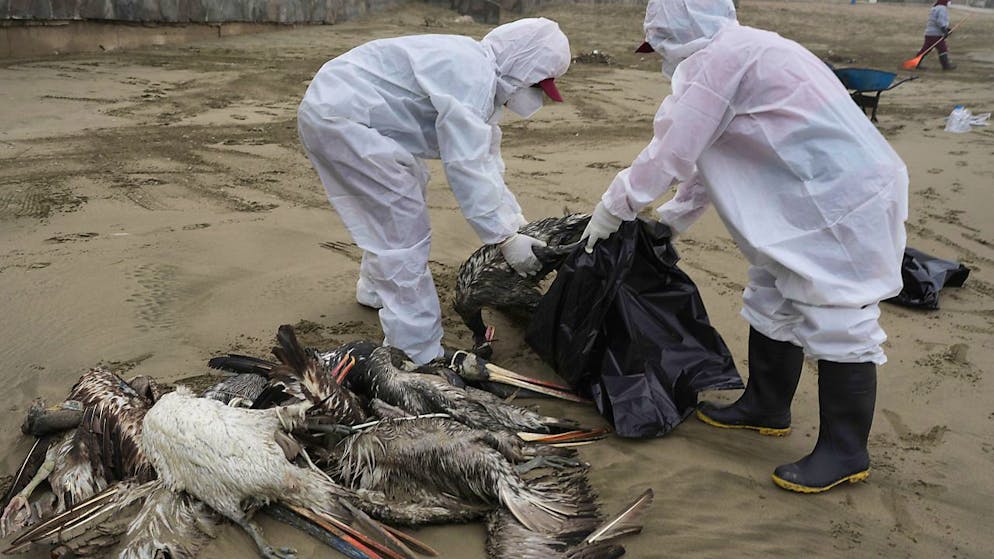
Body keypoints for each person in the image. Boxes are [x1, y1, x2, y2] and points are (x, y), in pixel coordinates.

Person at [581, 0, 908, 494]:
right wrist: (672, 221)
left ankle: (846, 451)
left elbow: (671, 151)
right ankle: (766, 405)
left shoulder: (720, 63)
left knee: (838, 313)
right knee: (772, 293)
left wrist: (614, 207)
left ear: (677, 30)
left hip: (840, 198)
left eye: (661, 43)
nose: (661, 55)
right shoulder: (741, 50)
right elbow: (713, 154)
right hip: (805, 192)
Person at [298, 19, 571, 365]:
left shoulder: (478, 74)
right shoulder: (473, 76)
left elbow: (487, 159)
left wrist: (517, 226)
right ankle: (415, 349)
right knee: (401, 227)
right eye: (537, 85)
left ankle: (374, 289)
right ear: (522, 65)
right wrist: (504, 237)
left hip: (343, 109)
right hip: (343, 118)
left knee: (403, 189)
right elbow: (467, 167)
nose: (535, 97)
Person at [914, 0, 956, 70]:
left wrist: (946, 29)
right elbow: (940, 21)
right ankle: (946, 66)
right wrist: (944, 30)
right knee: (943, 49)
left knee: (926, 50)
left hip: (930, 33)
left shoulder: (936, 8)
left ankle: (916, 63)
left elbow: (935, 21)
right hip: (935, 34)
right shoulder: (942, 8)